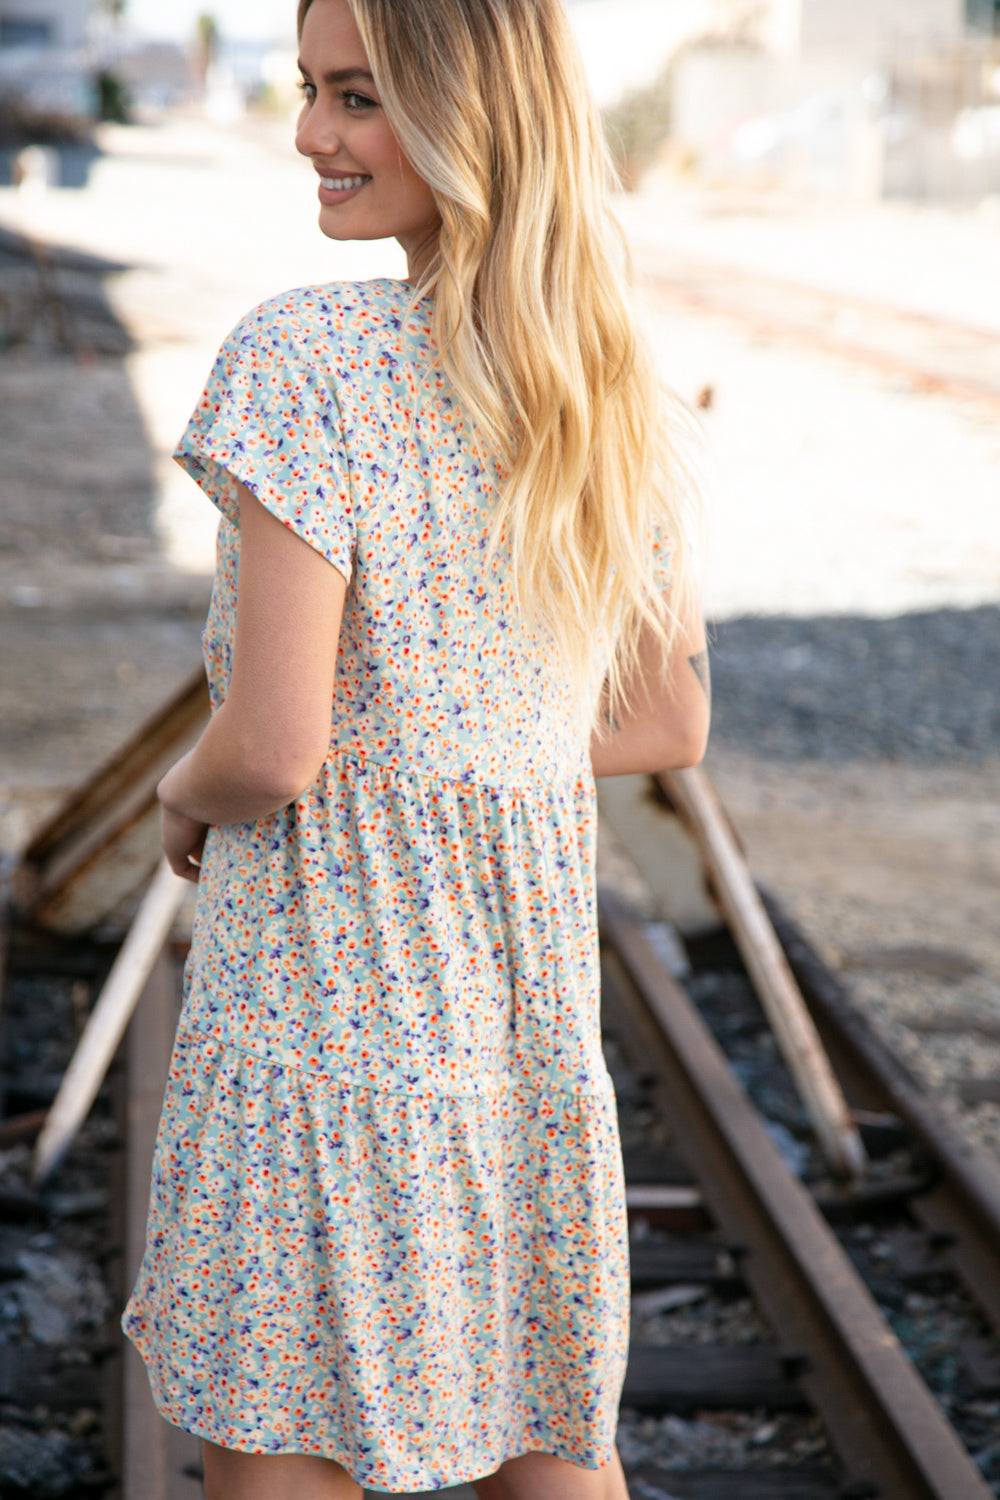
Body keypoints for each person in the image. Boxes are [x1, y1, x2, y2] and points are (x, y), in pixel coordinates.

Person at [121, 1, 710, 1497]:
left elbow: (270, 746)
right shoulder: (600, 379)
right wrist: (463, 735)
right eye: (310, 92)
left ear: (471, 113)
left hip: (316, 1028)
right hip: (517, 1046)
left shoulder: (309, 359)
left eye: (359, 98)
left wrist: (180, 795)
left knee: (283, 1457)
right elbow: (663, 720)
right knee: (549, 1459)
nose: (312, 135)